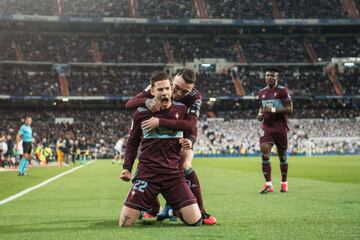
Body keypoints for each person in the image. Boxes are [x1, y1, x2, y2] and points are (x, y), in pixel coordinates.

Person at [125, 68, 216, 225]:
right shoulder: (159, 87)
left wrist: (190, 142)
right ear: (172, 80)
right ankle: (153, 208)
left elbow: (191, 125)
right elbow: (129, 104)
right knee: (151, 166)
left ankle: (200, 211)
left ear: (191, 89)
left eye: (184, 91)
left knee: (185, 165)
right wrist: (146, 101)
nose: (178, 93)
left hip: (184, 132)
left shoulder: (195, 97)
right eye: (176, 87)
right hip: (159, 135)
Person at [257, 68, 293, 194]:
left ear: (277, 78)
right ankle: (268, 184)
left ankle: (284, 182)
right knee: (264, 151)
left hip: (280, 129)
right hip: (267, 128)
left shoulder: (283, 91)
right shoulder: (261, 92)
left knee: (282, 156)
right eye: (267, 75)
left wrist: (272, 110)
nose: (269, 78)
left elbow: (289, 109)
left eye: (272, 76)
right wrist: (260, 115)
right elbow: (261, 108)